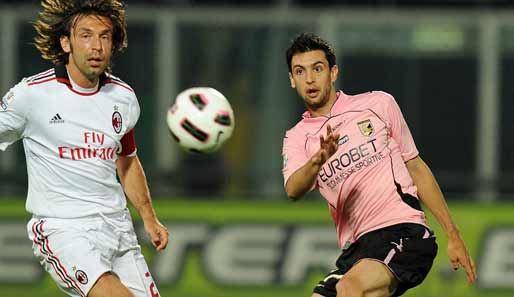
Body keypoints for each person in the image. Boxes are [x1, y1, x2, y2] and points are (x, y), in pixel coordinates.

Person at [282, 32, 476, 297]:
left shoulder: (377, 105)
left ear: (333, 72)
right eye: (300, 71)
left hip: (404, 230)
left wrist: (453, 234)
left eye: (318, 68)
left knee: (350, 288)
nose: (310, 78)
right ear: (292, 80)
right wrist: (317, 160)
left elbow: (416, 167)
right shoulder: (297, 138)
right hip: (358, 249)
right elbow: (293, 189)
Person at [0, 1, 169, 296]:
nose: (97, 47)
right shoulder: (31, 95)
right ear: (66, 43)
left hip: (118, 228)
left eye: (104, 37)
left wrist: (149, 217)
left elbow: (127, 160)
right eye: (86, 36)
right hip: (64, 229)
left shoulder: (123, 98)